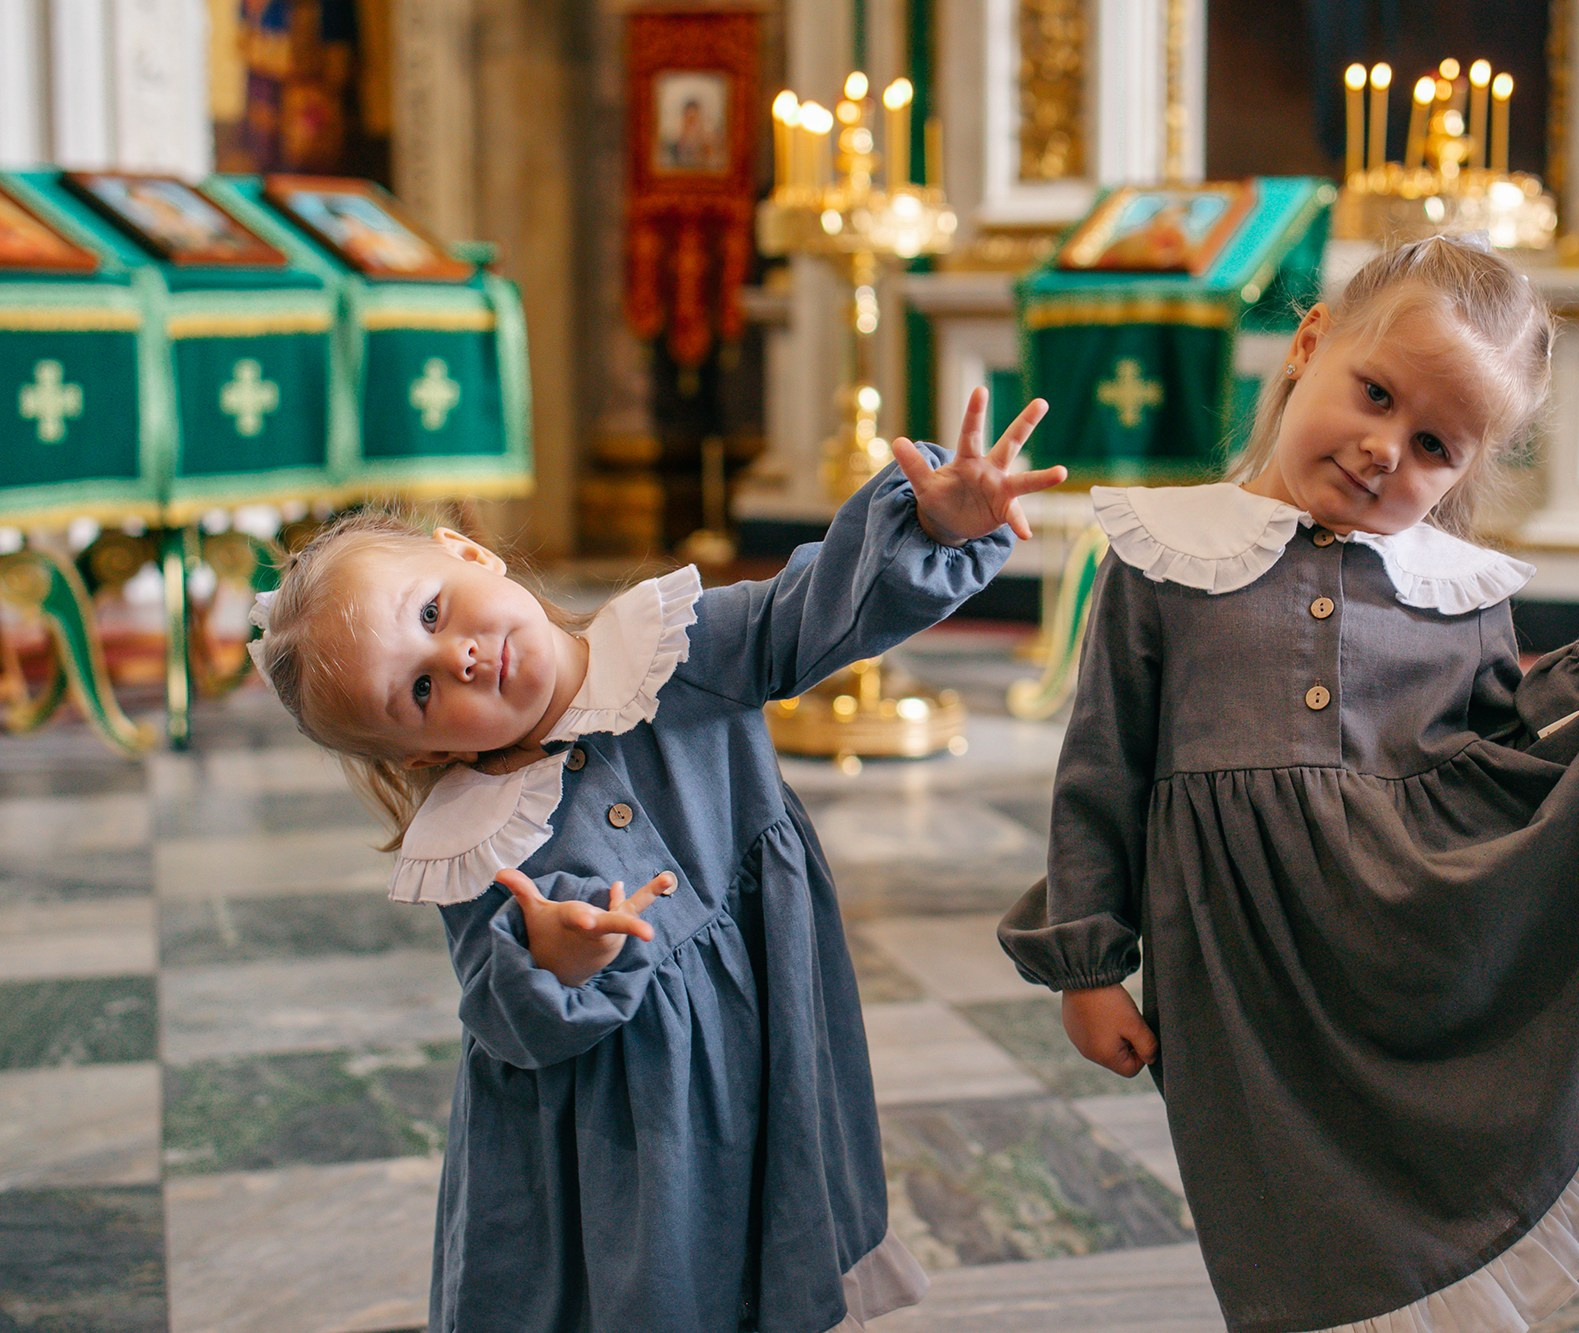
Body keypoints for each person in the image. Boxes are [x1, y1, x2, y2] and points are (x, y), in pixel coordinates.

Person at [998, 235, 1579, 1331]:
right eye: (1376, 394)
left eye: (1434, 445)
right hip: (1246, 987)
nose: (1383, 450)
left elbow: (1497, 763)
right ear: (1309, 344)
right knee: (1279, 1237)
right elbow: (1101, 770)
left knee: (1423, 1219)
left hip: (1415, 961)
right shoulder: (1163, 554)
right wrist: (1087, 963)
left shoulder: (1455, 591)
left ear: (1466, 470)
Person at [248, 389, 1061, 1332]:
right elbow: (500, 1013)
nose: (458, 658)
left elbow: (819, 608)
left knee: (771, 1244)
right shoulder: (478, 836)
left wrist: (933, 524)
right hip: (621, 1141)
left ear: (469, 553)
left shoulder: (679, 651)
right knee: (654, 1286)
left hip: (765, 1040)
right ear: (426, 755)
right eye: (420, 689)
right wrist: (550, 958)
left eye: (432, 611)